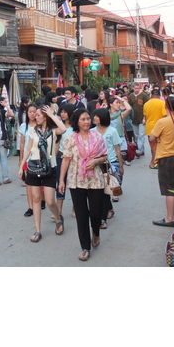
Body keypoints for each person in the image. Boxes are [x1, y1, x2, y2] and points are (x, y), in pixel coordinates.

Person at [58, 109, 109, 262]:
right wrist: (61, 180)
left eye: (88, 119)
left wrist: (97, 161)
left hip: (96, 180)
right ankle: (85, 247)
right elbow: (66, 160)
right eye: (83, 119)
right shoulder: (70, 138)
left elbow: (105, 155)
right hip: (76, 180)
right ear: (76, 122)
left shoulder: (97, 136)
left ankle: (96, 231)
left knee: (95, 212)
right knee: (81, 215)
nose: (87, 122)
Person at [18, 105, 66, 242]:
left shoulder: (53, 130)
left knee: (50, 201)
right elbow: (28, 150)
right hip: (34, 167)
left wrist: (52, 115)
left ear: (45, 117)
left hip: (50, 168)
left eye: (38, 115)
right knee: (36, 199)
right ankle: (37, 230)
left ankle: (58, 218)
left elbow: (64, 129)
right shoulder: (32, 131)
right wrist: (22, 166)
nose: (35, 117)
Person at [150, 96, 174, 227]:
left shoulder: (162, 122)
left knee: (170, 190)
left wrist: (158, 139)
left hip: (167, 158)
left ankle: (169, 218)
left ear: (166, 106)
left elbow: (152, 138)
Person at [93, 108, 123, 230]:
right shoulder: (91, 132)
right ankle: (108, 209)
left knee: (105, 192)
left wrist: (120, 166)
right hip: (96, 164)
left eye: (96, 116)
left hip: (110, 164)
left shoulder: (112, 131)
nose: (93, 118)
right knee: (100, 192)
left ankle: (102, 219)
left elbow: (117, 149)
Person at [56, 103, 76, 219]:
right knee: (60, 182)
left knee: (73, 184)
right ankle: (59, 210)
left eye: (65, 112)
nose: (62, 114)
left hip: (74, 159)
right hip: (61, 157)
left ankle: (75, 207)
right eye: (61, 112)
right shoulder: (60, 127)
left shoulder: (76, 128)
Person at [19, 104, 39, 216]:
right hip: (27, 159)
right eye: (30, 112)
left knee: (39, 183)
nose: (32, 114)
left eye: (34, 111)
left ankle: (40, 201)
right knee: (29, 183)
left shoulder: (41, 125)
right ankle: (30, 207)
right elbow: (22, 143)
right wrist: (21, 159)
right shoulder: (24, 126)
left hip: (39, 157)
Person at [0, 96, 15, 186]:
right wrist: (6, 106)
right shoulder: (2, 111)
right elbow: (12, 115)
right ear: (1, 103)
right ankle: (5, 178)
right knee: (3, 158)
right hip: (1, 137)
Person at [144, 88, 167, 169]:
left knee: (152, 146)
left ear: (151, 95)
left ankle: (154, 161)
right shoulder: (162, 103)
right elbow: (164, 115)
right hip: (159, 127)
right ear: (159, 95)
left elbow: (146, 117)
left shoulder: (146, 104)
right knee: (158, 146)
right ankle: (154, 162)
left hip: (149, 127)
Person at [107, 95, 132, 167]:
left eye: (119, 103)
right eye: (117, 103)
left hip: (120, 139)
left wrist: (121, 99)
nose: (119, 105)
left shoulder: (121, 114)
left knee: (119, 161)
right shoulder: (106, 114)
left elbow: (129, 109)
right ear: (111, 104)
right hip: (110, 140)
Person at [127, 82, 149, 158]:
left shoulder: (144, 96)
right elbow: (129, 107)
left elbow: (147, 107)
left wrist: (144, 117)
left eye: (138, 88)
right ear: (133, 88)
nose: (136, 90)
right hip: (133, 118)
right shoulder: (131, 96)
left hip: (142, 118)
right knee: (136, 135)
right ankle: (141, 150)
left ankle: (139, 150)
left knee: (141, 135)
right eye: (135, 88)